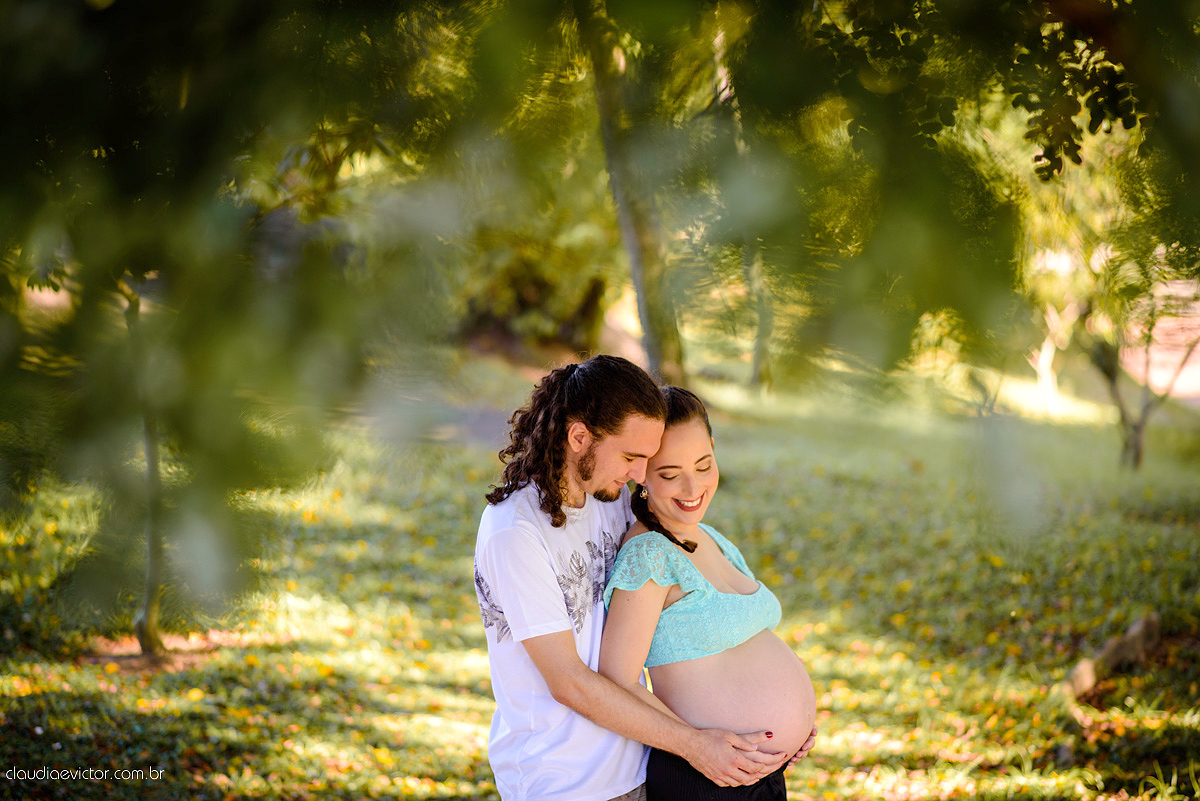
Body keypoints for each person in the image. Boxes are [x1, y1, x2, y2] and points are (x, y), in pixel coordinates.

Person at [474, 355, 790, 801]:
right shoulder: (515, 532)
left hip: (641, 759)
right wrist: (695, 745)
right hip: (564, 782)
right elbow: (569, 682)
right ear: (579, 436)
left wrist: (759, 729)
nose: (639, 475)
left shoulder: (611, 499)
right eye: (630, 457)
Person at [600, 386, 819, 800]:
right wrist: (694, 745)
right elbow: (615, 684)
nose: (692, 487)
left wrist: (794, 726)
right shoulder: (649, 556)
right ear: (640, 472)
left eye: (704, 465)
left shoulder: (711, 539)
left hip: (758, 775)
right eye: (669, 474)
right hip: (705, 777)